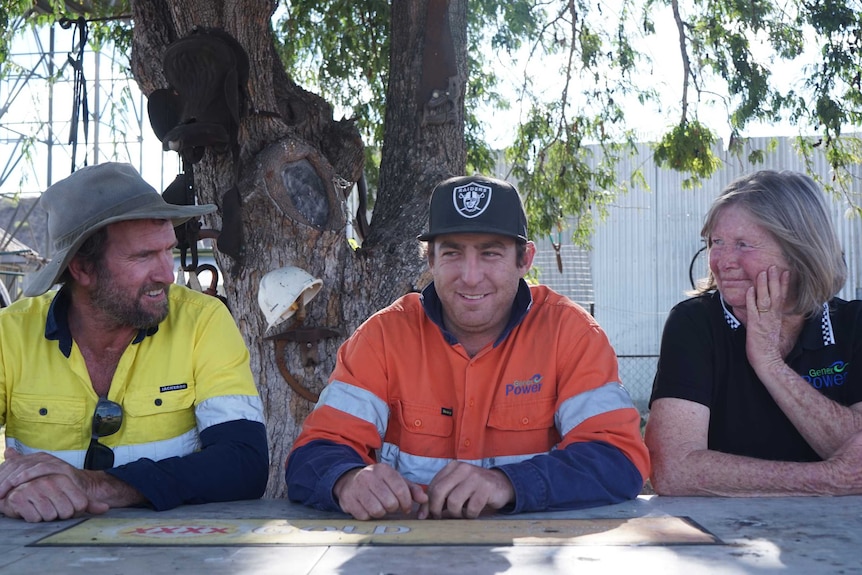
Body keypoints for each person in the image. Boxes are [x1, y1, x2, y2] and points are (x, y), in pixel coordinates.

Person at [285, 175, 650, 520]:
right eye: (453, 254)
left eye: (490, 253)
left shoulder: (572, 335)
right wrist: (347, 479)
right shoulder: (382, 337)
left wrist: (508, 483)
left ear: (525, 260)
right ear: (430, 260)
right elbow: (313, 454)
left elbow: (619, 458)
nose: (471, 276)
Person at [0, 162, 268, 522]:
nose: (166, 274)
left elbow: (244, 462)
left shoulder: (202, 322)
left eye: (167, 250)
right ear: (82, 269)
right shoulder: (11, 334)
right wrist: (10, 489)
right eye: (143, 256)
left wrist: (95, 485)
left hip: (174, 555)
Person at [645, 169, 862, 496]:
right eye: (716, 242)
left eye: (743, 244)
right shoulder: (695, 323)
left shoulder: (853, 325)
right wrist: (824, 479)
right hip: (724, 538)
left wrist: (770, 365)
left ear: (798, 250)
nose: (722, 261)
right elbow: (671, 470)